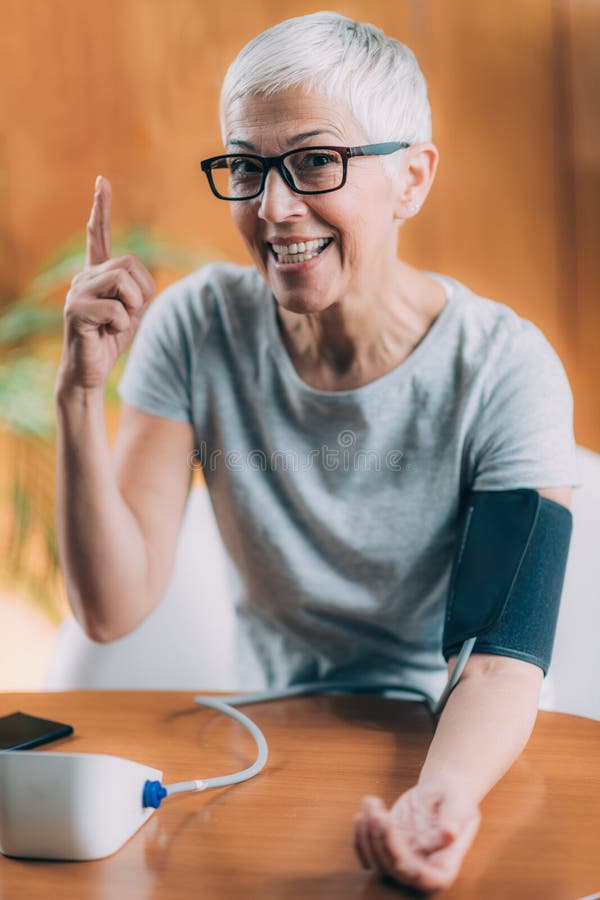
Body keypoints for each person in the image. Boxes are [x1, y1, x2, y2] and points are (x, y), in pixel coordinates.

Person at [55, 11, 578, 892]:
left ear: (412, 178)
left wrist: (440, 800)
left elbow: (498, 656)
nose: (273, 207)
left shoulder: (505, 368)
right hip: (270, 741)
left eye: (315, 161)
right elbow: (110, 609)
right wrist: (77, 395)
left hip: (457, 742)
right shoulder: (198, 329)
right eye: (248, 166)